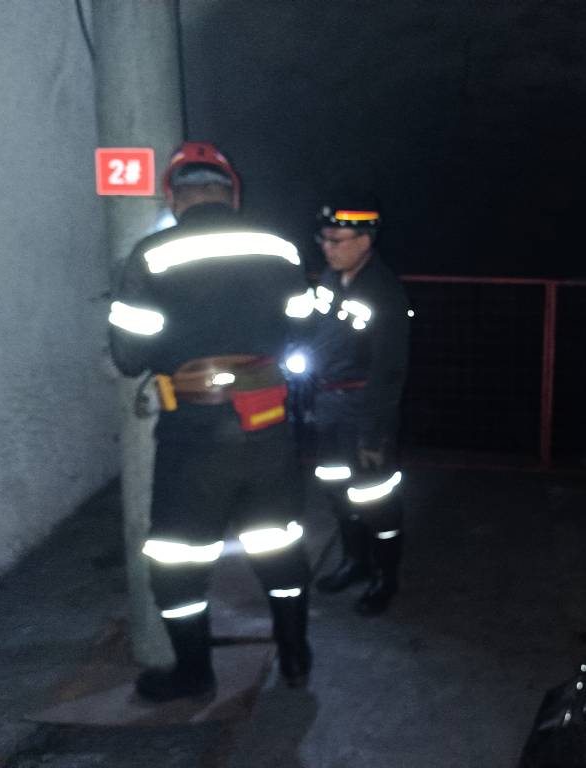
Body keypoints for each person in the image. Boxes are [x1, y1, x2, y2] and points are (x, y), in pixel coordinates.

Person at [108, 142, 315, 702]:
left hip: (194, 437)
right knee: (277, 545)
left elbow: (127, 357)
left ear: (174, 198)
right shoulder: (280, 248)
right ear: (232, 193)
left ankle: (194, 673)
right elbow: (302, 330)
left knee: (177, 560)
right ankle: (295, 656)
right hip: (269, 427)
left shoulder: (151, 256)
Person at [306, 194, 410, 616]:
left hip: (364, 408)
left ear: (365, 241)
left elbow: (390, 369)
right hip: (328, 404)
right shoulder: (330, 282)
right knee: (337, 489)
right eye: (324, 239)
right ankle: (355, 562)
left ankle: (385, 578)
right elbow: (315, 333)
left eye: (337, 240)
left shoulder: (385, 293)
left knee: (375, 499)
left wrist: (374, 432)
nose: (327, 248)